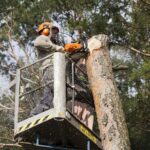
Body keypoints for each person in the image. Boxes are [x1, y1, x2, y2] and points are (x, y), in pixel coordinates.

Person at [30, 22, 64, 116]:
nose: (54, 34)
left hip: (52, 68)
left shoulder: (51, 43)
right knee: (58, 88)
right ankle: (41, 110)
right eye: (53, 31)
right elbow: (37, 43)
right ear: (46, 30)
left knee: (49, 93)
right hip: (49, 68)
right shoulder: (43, 38)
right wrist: (56, 48)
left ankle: (38, 112)